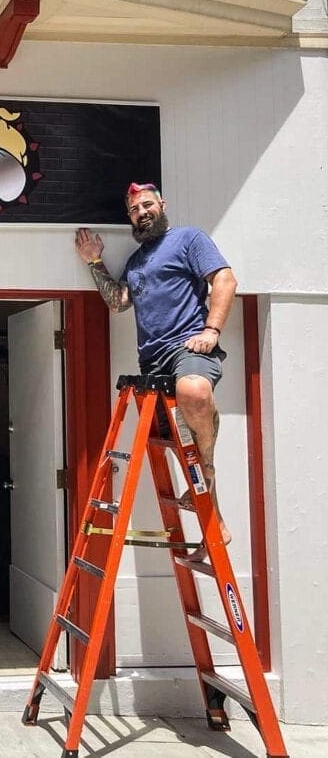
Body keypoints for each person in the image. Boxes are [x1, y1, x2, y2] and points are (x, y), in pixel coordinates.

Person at [74, 182, 237, 558]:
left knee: (195, 391)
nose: (141, 212)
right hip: (152, 362)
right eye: (134, 210)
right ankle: (217, 527)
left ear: (161, 205)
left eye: (147, 205)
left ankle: (207, 471)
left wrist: (211, 330)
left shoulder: (189, 239)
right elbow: (118, 302)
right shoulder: (136, 262)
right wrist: (94, 260)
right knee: (181, 444)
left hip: (188, 348)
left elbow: (224, 279)